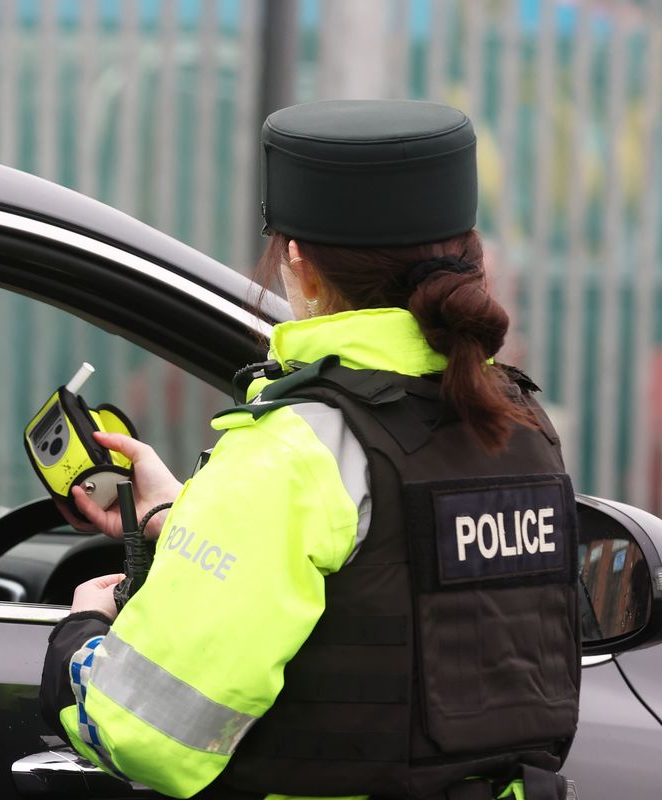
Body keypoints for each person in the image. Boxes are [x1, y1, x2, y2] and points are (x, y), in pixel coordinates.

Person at [40, 100, 580, 800]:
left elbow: (144, 732)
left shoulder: (292, 452)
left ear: (302, 265)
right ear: (468, 251)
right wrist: (181, 518)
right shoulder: (520, 424)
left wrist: (82, 631)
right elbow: (389, 579)